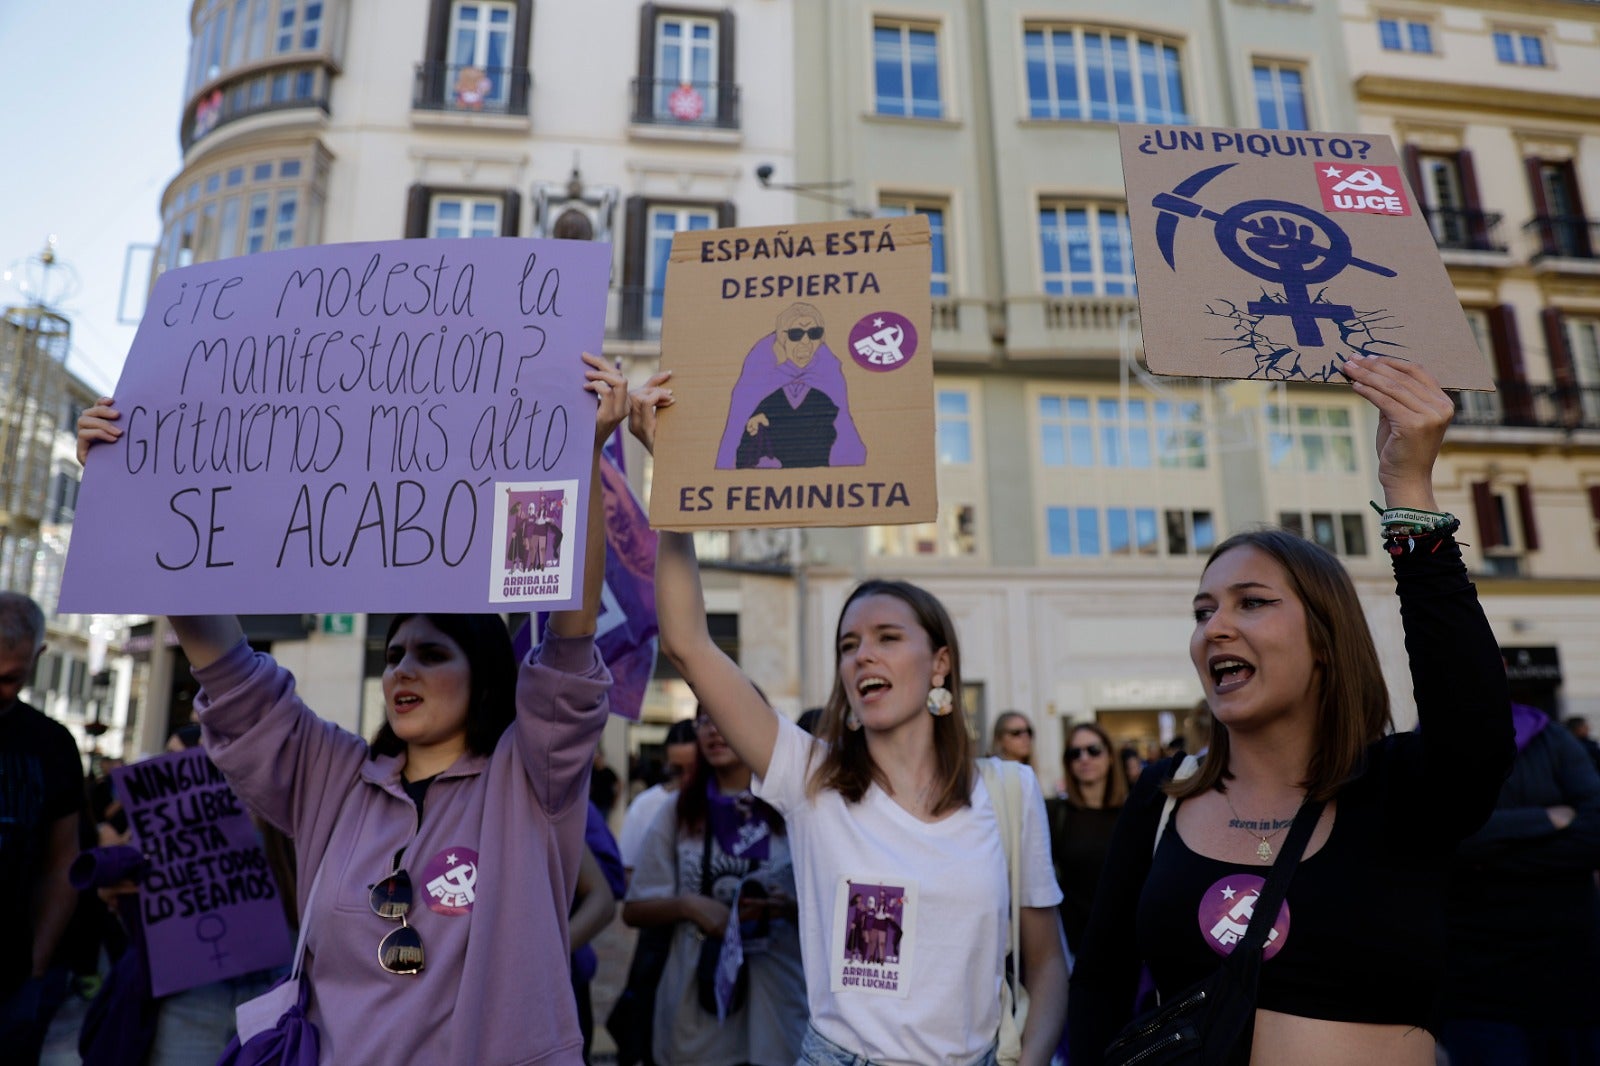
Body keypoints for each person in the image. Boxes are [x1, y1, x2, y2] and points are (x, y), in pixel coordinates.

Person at [74, 351, 628, 1064]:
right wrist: (130, 489)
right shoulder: (337, 777)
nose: (402, 668)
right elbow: (225, 664)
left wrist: (579, 458)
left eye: (432, 654)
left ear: (486, 679)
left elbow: (569, 644)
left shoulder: (528, 784)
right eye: (394, 653)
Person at [1067, 356, 1514, 1066]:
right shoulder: (1160, 796)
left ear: (1325, 643)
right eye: (1203, 610)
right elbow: (1098, 984)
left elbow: (1478, 730)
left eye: (1252, 603)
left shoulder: (1403, 791)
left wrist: (1408, 489)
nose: (1214, 626)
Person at [631, 374, 1068, 1066]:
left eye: (888, 638)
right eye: (848, 644)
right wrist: (674, 484)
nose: (864, 655)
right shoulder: (810, 776)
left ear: (940, 663)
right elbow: (688, 642)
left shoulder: (1008, 795)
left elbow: (1046, 966)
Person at [622, 709, 807, 1066]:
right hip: (696, 1014)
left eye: (726, 713)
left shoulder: (792, 809)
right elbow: (634, 908)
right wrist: (689, 907)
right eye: (705, 720)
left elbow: (835, 905)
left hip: (774, 1009)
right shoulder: (678, 811)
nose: (715, 730)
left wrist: (788, 907)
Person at [1438, 699, 1600, 1065]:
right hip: (1477, 992)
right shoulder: (1428, 748)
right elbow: (1432, 839)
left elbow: (1596, 833)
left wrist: (1486, 852)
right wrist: (1544, 821)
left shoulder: (1553, 740)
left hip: (1573, 980)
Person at [0, 592, 84, 1065]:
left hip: (12, 979)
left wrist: (36, 965)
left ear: (37, 658)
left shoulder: (50, 744)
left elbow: (62, 860)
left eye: (10, 678)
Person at [715, 302, 867, 471]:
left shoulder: (828, 373)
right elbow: (738, 433)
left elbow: (844, 433)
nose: (806, 342)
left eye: (814, 333)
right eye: (796, 334)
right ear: (782, 337)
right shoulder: (761, 371)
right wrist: (756, 427)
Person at [1045, 722, 1128, 960]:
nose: (1084, 758)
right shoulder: (1055, 813)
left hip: (1127, 947)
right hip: (1073, 948)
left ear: (1110, 756)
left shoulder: (1134, 813)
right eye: (1075, 753)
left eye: (1093, 750)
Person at [619, 719, 700, 884]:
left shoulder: (718, 802)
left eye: (693, 770)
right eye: (676, 770)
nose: (685, 779)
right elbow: (628, 871)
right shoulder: (644, 805)